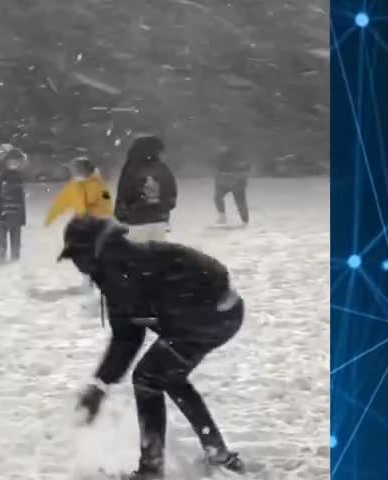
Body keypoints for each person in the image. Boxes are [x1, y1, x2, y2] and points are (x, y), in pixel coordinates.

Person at [58, 216, 246, 479]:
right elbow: (126, 337)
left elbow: (216, 273)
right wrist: (100, 385)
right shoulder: (115, 270)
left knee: (148, 378)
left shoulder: (122, 267)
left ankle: (152, 468)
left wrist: (181, 312)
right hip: (219, 313)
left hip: (213, 314)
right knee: (167, 377)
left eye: (76, 256)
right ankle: (218, 453)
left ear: (92, 249)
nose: (77, 266)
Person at [114, 136, 177, 242]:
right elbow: (171, 195)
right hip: (159, 221)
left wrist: (122, 216)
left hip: (136, 220)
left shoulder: (130, 168)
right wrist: (162, 207)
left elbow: (124, 193)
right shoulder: (163, 168)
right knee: (156, 254)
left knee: (138, 254)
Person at [43, 156, 114, 227]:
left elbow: (107, 205)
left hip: (98, 224)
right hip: (80, 224)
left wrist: (94, 217)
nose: (74, 173)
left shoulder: (100, 186)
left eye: (77, 170)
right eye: (73, 171)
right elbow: (59, 204)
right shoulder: (73, 187)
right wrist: (48, 221)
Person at [0, 148, 28, 261]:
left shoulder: (19, 175)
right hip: (2, 210)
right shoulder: (0, 175)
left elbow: (21, 198)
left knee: (15, 235)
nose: (16, 164)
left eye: (18, 162)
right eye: (14, 161)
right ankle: (2, 254)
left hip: (15, 211)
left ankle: (14, 255)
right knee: (2, 234)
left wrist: (22, 217)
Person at [214, 148, 250, 225]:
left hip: (237, 182)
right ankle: (222, 216)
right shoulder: (220, 159)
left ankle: (245, 220)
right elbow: (218, 172)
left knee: (240, 202)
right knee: (217, 197)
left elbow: (245, 170)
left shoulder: (238, 157)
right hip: (225, 181)